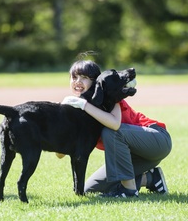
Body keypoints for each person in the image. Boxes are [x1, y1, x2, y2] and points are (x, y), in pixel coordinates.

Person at [60, 59, 172, 198]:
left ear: (95, 81)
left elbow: (114, 124)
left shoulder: (109, 96)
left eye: (84, 78)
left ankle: (129, 191)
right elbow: (61, 153)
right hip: (135, 157)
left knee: (110, 131)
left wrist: (84, 105)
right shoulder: (76, 108)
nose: (78, 81)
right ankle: (151, 179)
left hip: (156, 140)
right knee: (90, 189)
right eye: (74, 77)